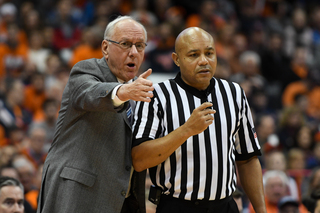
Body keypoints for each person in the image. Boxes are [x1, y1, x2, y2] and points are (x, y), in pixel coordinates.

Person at [132, 27, 266, 213]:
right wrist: (186, 130)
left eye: (209, 53)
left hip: (225, 206)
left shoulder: (234, 92)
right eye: (194, 55)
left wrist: (261, 210)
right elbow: (139, 159)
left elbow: (248, 159)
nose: (204, 61)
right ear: (176, 59)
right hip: (177, 206)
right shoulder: (156, 95)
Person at [36, 15, 154, 213]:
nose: (134, 52)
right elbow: (89, 93)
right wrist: (123, 92)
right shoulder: (86, 71)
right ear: (105, 48)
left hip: (118, 201)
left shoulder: (137, 90)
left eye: (140, 46)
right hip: (77, 194)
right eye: (125, 44)